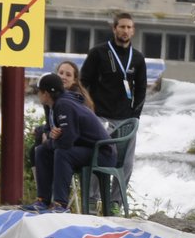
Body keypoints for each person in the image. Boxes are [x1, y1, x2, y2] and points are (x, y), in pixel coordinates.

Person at [78, 11, 146, 194]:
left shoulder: (138, 59)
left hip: (126, 119)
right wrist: (88, 110)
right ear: (114, 28)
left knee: (126, 163)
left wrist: (135, 117)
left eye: (129, 27)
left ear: (133, 31)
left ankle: (116, 201)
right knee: (97, 158)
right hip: (99, 116)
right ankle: (92, 199)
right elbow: (83, 83)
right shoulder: (98, 53)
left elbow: (141, 90)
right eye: (122, 27)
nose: (125, 31)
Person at [26, 71, 112, 213]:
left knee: (62, 153)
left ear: (46, 94)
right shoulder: (52, 105)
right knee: (41, 150)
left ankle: (60, 204)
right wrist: (51, 136)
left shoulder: (64, 104)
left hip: (102, 152)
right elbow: (50, 130)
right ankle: (42, 201)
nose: (37, 94)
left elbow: (67, 140)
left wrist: (52, 140)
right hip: (84, 148)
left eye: (38, 91)